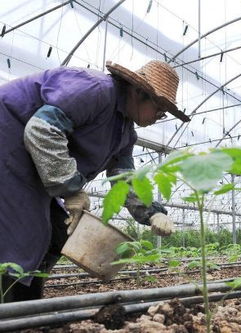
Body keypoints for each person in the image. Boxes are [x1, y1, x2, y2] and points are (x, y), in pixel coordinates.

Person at [0, 60, 190, 302]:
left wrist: (152, 213)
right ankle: (14, 311)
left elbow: (124, 180)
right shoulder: (96, 89)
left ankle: (26, 310)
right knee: (22, 237)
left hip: (30, 164)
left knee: (58, 233)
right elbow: (42, 130)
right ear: (138, 92)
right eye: (159, 109)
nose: (158, 117)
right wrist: (69, 189)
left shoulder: (124, 133)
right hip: (8, 145)